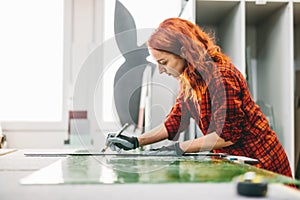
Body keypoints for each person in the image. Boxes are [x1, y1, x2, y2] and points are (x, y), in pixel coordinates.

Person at [106, 18, 293, 178]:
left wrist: (178, 148)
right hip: (235, 164)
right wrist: (137, 141)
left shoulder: (222, 77)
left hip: (262, 163)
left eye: (163, 63)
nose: (161, 71)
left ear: (183, 52)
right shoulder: (190, 82)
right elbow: (174, 122)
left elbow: (225, 136)